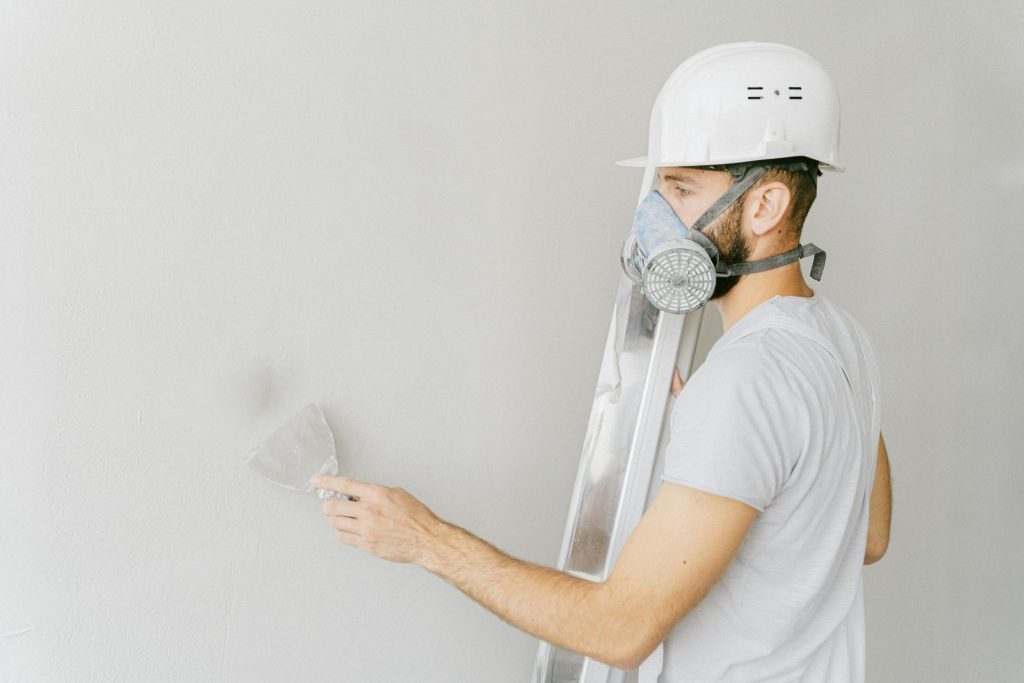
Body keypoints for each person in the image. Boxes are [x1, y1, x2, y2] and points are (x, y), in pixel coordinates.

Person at [313, 41, 893, 681]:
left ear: (764, 206)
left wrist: (424, 539)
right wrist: (728, 446)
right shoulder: (843, 340)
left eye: (681, 187)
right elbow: (864, 538)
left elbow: (619, 631)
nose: (654, 217)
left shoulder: (746, 378)